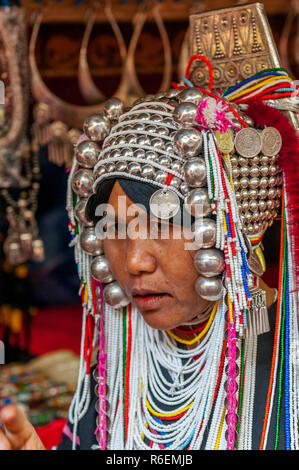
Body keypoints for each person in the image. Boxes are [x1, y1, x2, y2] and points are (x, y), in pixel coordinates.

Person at [1, 3, 299, 451]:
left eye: (163, 224)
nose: (135, 261)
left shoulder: (287, 379)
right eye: (114, 229)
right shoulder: (117, 369)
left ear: (233, 231)